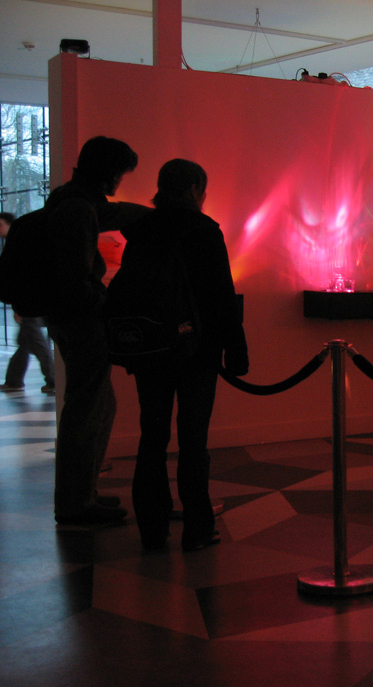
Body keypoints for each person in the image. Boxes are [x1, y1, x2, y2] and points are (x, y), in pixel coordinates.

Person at [122, 159, 248, 551]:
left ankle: (152, 527)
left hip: (152, 346)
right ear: (194, 188)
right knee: (193, 440)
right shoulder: (204, 229)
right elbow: (221, 295)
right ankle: (197, 527)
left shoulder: (143, 228)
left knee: (152, 436)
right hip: (198, 348)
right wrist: (236, 349)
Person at [48, 136, 147, 525]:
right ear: (109, 173)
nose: (120, 181)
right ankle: (76, 502)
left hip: (66, 319)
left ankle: (82, 493)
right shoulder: (79, 208)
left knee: (97, 405)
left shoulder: (68, 199)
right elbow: (77, 280)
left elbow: (111, 213)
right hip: (81, 321)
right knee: (87, 410)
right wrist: (106, 303)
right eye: (120, 174)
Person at [0, 212, 56, 395]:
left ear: (10, 225)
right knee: (25, 342)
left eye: (0, 224)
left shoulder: (16, 245)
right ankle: (14, 380)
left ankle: (53, 380)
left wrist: (18, 304)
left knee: (36, 342)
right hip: (31, 301)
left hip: (30, 303)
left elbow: (19, 276)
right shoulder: (17, 243)